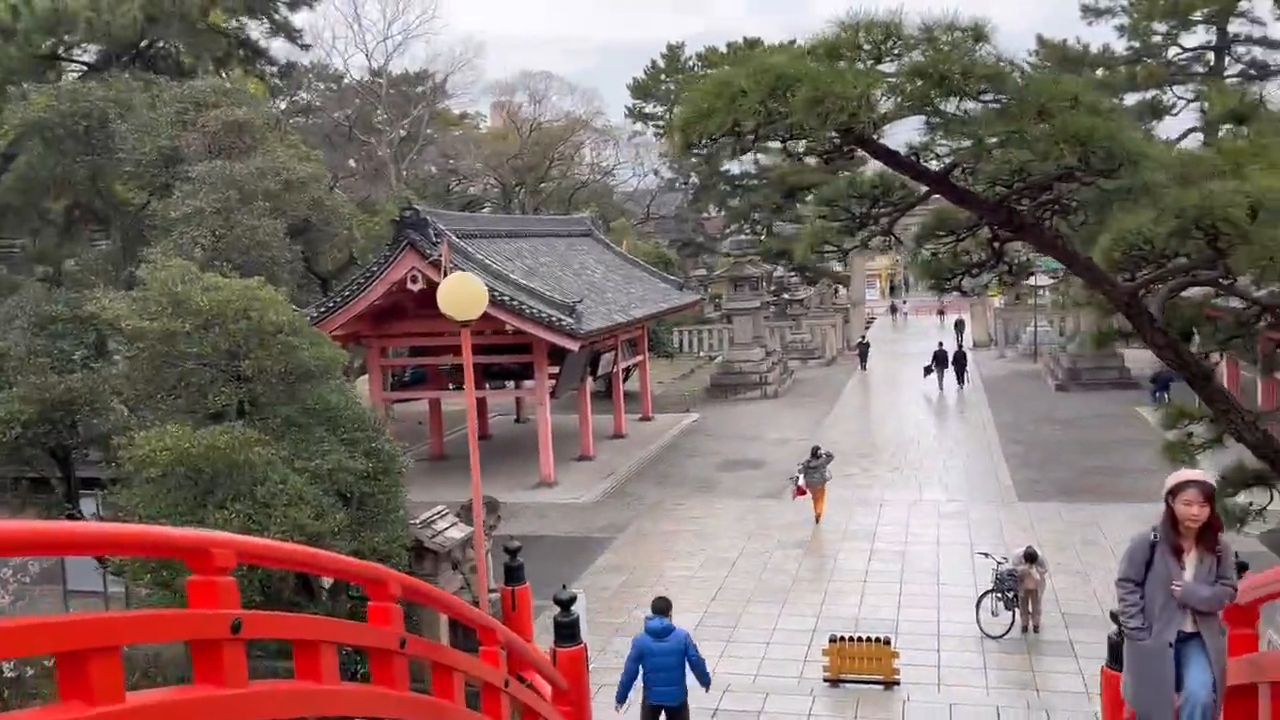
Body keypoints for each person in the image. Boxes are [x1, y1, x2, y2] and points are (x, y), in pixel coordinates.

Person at [1115, 469, 1236, 720]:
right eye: (1187, 504)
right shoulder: (1149, 541)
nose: (1195, 512)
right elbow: (1127, 583)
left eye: (1203, 505)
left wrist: (1194, 594)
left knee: (1200, 695)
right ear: (1171, 502)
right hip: (1155, 636)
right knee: (1156, 706)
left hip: (1198, 638)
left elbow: (1228, 590)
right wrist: (1137, 631)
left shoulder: (1218, 547)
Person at [616, 596, 712, 720]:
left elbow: (629, 672)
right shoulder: (682, 637)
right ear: (670, 612)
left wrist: (621, 698)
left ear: (652, 612)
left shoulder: (641, 640)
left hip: (651, 697)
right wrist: (705, 681)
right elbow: (695, 661)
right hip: (677, 697)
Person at [1012, 545, 1048, 633]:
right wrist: (1024, 569)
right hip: (1023, 584)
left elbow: (1045, 569)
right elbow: (1014, 568)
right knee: (1023, 604)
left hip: (1036, 585)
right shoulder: (1017, 556)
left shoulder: (1040, 558)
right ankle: (1024, 624)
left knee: (1036, 605)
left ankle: (1036, 624)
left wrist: (1036, 570)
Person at [799, 445, 835, 524]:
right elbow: (831, 456)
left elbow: (801, 471)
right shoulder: (822, 461)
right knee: (821, 498)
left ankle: (816, 511)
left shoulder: (807, 462)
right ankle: (818, 512)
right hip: (820, 483)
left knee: (815, 498)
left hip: (810, 484)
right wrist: (824, 452)